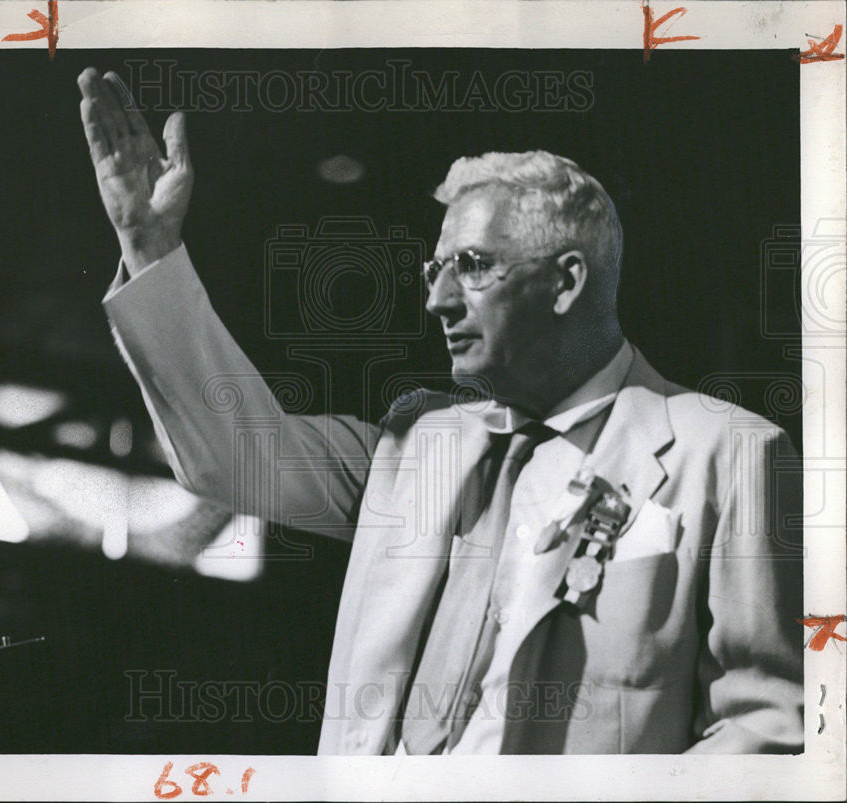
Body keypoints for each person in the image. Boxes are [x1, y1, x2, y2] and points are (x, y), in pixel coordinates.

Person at [78, 67, 804, 754]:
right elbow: (237, 456)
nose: (437, 299)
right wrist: (150, 245)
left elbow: (767, 729)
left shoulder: (728, 454)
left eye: (474, 266)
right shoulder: (414, 442)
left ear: (566, 281)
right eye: (435, 269)